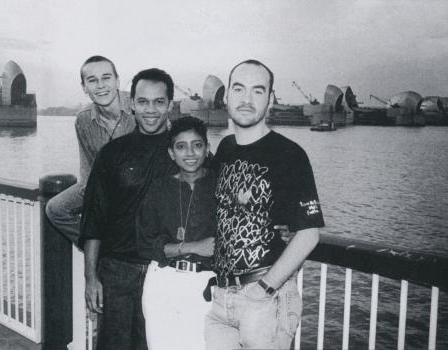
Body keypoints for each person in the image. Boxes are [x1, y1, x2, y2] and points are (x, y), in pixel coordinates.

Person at [205, 59, 325, 350]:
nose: (247, 99)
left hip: (264, 299)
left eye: (258, 91)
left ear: (270, 99)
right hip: (221, 299)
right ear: (227, 96)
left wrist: (265, 288)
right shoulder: (225, 148)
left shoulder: (290, 154)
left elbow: (309, 233)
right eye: (239, 89)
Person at [79, 68, 178, 350]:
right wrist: (90, 278)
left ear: (169, 105)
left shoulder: (187, 153)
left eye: (159, 102)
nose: (150, 110)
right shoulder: (112, 153)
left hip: (165, 272)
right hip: (118, 272)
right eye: (143, 102)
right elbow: (94, 218)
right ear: (131, 103)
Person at [136, 116, 216, 350]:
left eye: (197, 145)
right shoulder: (159, 188)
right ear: (171, 153)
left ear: (207, 149)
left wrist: (284, 231)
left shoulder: (220, 185)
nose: (190, 153)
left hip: (206, 284)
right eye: (181, 146)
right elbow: (144, 244)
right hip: (163, 281)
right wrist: (192, 246)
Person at [45, 55, 135, 244]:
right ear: (84, 87)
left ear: (117, 81)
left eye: (106, 78)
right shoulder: (83, 120)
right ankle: (102, 249)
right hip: (105, 187)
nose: (100, 85)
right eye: (92, 80)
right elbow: (88, 171)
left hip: (142, 188)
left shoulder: (140, 107)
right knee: (56, 209)